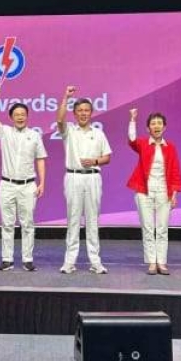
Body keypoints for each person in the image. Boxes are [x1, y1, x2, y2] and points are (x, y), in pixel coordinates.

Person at [0, 85, 47, 271]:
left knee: (27, 224)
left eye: (23, 114)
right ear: (11, 117)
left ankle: (27, 259)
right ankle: (7, 259)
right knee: (7, 223)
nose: (20, 116)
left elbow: (40, 159)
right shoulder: (4, 132)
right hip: (6, 185)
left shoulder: (35, 135)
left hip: (28, 185)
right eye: (17, 114)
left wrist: (42, 182)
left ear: (27, 116)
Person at [55, 85, 112, 274]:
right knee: (73, 219)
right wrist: (66, 97)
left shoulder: (98, 133)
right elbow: (59, 119)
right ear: (74, 113)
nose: (83, 113)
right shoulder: (69, 131)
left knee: (92, 220)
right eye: (79, 110)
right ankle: (69, 261)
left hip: (93, 178)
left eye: (87, 110)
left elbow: (107, 157)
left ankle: (95, 261)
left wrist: (94, 161)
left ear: (92, 113)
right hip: (73, 177)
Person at [127, 109, 181, 275]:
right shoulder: (144, 144)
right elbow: (131, 140)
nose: (156, 126)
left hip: (164, 191)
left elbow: (175, 171)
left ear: (164, 127)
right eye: (153, 123)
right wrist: (132, 119)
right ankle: (152, 262)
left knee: (162, 227)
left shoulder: (170, 147)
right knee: (148, 227)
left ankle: (162, 262)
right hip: (144, 191)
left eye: (159, 123)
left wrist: (174, 194)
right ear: (148, 128)